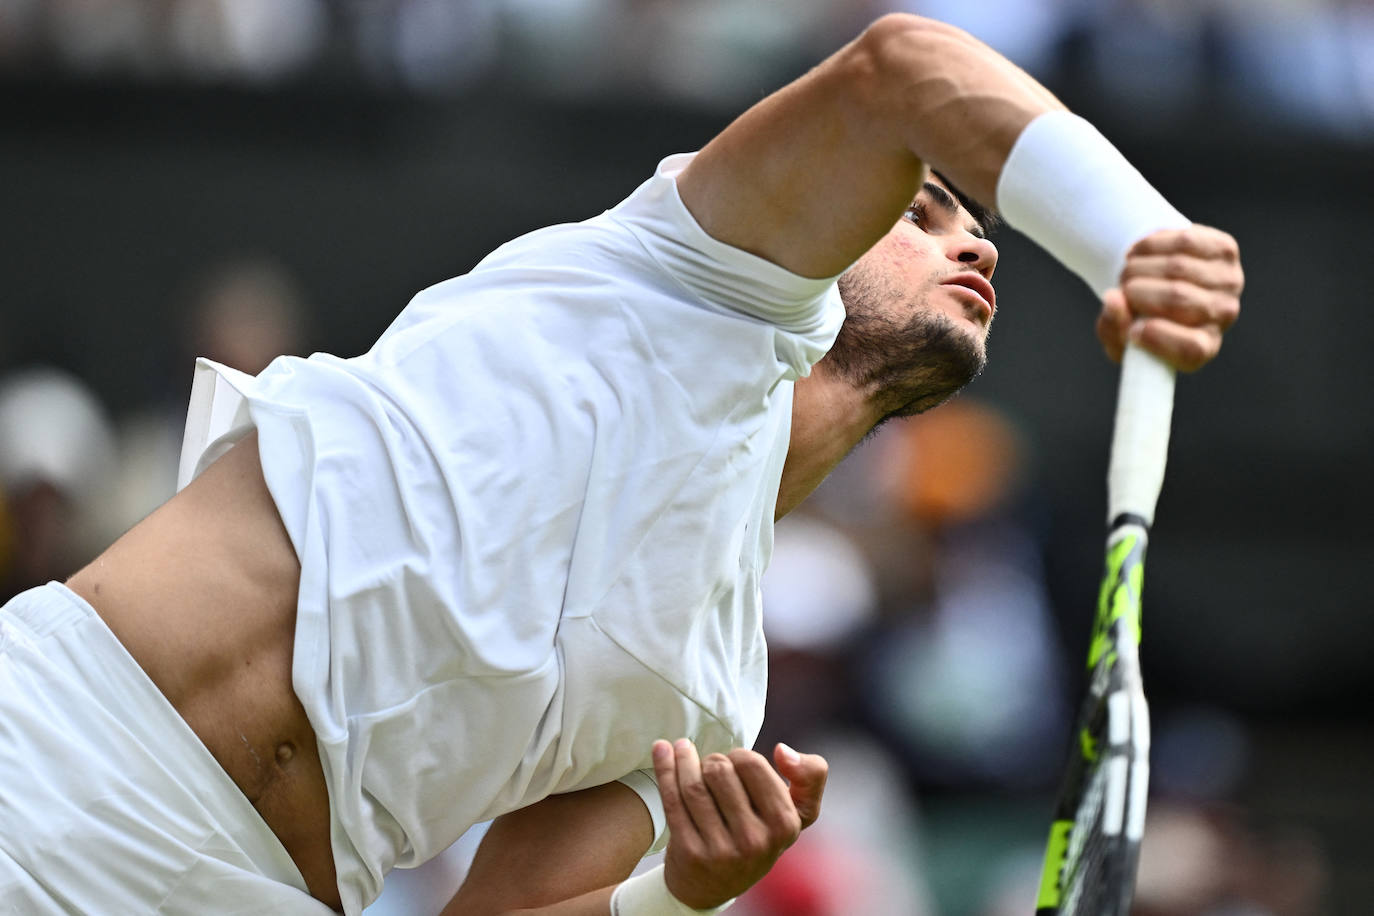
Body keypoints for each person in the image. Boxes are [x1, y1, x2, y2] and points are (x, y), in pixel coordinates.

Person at [0, 13, 1242, 916]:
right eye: (916, 210)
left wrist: (678, 895)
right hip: (59, 755)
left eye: (978, 230)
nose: (971, 243)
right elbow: (903, 69)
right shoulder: (684, 278)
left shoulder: (714, 695)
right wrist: (1133, 228)